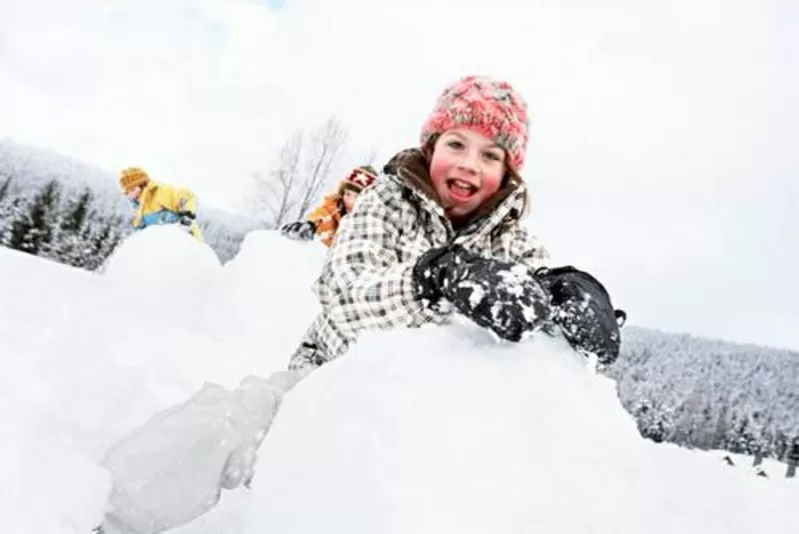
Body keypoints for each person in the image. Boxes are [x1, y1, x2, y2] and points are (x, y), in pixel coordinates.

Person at [96, 75, 625, 534]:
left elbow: (538, 302)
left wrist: (576, 301)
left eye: (491, 155)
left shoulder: (513, 242)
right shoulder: (387, 201)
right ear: (432, 145)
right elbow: (341, 294)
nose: (470, 164)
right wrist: (430, 279)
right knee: (237, 423)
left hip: (433, 415)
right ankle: (110, 512)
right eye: (458, 144)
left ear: (508, 173)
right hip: (331, 379)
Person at [279, 165, 378, 247]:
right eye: (347, 194)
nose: (350, 201)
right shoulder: (336, 208)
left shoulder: (373, 223)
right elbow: (323, 217)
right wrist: (311, 225)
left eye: (357, 197)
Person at [119, 167, 203, 242]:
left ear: (143, 184)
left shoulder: (160, 191)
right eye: (127, 192)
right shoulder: (139, 208)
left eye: (133, 189)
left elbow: (188, 197)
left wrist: (187, 215)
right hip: (165, 247)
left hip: (185, 240)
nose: (131, 195)